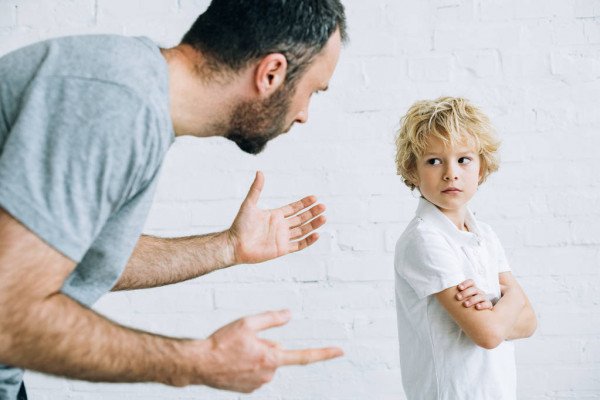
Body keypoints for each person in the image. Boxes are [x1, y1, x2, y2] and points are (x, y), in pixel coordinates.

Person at [0, 1, 348, 398]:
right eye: (312, 92)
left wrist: (228, 248)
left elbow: (73, 257)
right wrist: (200, 361)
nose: (303, 114)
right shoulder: (116, 103)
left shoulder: (130, 88)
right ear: (271, 73)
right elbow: (9, 318)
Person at [393, 97, 537, 400]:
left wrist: (496, 307)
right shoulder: (425, 240)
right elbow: (487, 334)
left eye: (464, 159)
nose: (451, 173)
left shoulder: (485, 235)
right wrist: (511, 297)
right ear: (412, 170)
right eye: (434, 161)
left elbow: (529, 322)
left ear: (482, 167)